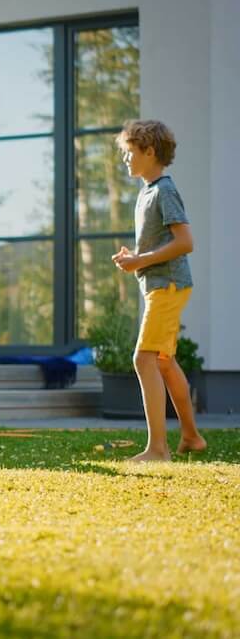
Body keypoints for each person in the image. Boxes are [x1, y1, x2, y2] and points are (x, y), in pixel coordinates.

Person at [111, 119, 207, 461]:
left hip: (167, 285)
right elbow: (166, 242)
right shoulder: (148, 191)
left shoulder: (164, 190)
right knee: (164, 363)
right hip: (162, 284)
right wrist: (137, 258)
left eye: (129, 153)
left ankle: (158, 449)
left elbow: (185, 242)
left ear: (149, 151)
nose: (125, 159)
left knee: (144, 359)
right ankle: (191, 438)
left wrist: (141, 261)